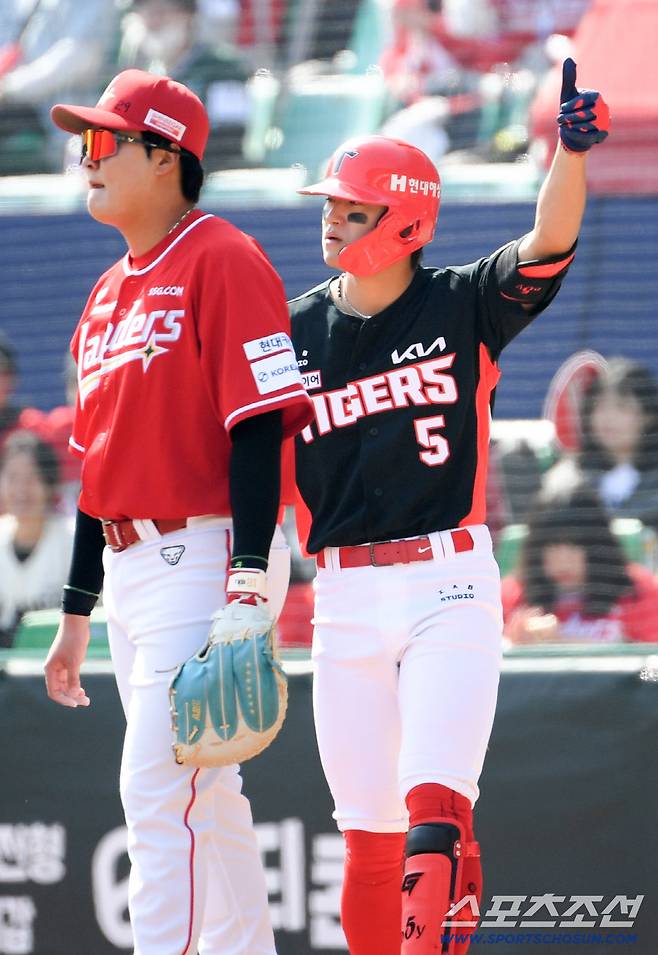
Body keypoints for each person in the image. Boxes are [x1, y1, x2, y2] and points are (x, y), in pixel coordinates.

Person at [289, 58, 608, 954]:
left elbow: (547, 241)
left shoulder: (463, 302)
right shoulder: (293, 330)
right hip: (343, 597)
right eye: (331, 201)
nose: (331, 216)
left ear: (405, 220)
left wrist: (571, 154)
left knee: (435, 816)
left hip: (448, 587)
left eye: (351, 206)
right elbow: (255, 462)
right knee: (368, 844)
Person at [43, 68, 312, 955]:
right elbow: (96, 468)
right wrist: (77, 614)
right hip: (131, 573)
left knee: (157, 794)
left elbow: (260, 425)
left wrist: (245, 579)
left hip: (206, 552)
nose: (87, 155)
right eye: (86, 140)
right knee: (206, 797)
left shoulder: (223, 256)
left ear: (166, 156)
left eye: (105, 140)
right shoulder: (102, 296)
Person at [502, 479, 658, 644]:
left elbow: (650, 660)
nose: (563, 561)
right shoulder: (511, 596)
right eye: (551, 546)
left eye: (575, 545)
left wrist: (562, 642)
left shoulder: (637, 591)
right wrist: (512, 644)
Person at [118, 0, 251, 170]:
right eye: (145, 12)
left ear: (188, 16)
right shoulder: (144, 77)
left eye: (162, 11)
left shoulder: (223, 68)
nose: (153, 21)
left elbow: (228, 138)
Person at [544, 357, 658, 534]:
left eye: (622, 407)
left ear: (649, 416)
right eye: (600, 406)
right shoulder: (572, 480)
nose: (608, 417)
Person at [0, 430, 74, 647]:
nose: (22, 489)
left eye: (32, 478)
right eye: (12, 477)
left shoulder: (73, 541)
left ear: (50, 484)